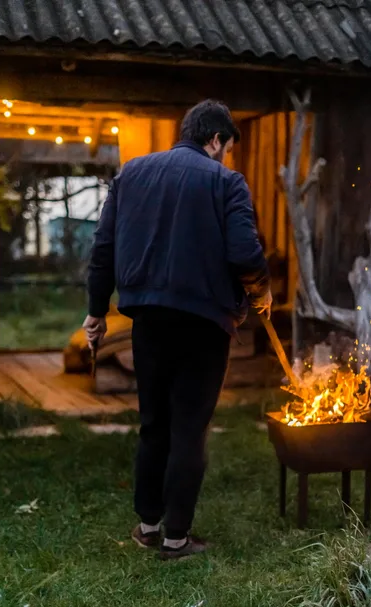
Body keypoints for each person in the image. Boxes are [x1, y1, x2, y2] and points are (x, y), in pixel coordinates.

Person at [84, 100, 272, 560]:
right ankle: (176, 538)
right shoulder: (227, 182)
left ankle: (148, 526)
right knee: (189, 428)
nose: (226, 155)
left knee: (154, 424)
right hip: (204, 324)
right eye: (227, 146)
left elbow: (104, 246)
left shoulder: (131, 174)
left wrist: (95, 311)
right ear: (215, 139)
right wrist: (260, 291)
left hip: (147, 319)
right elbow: (245, 253)